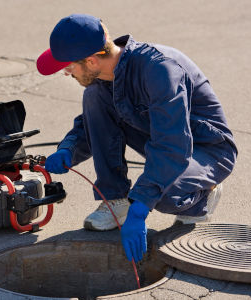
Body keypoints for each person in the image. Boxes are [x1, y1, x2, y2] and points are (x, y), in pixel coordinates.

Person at [36, 14, 237, 263]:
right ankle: (115, 200)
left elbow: (172, 146)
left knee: (160, 194)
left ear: (91, 60)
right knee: (94, 97)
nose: (66, 73)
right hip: (161, 136)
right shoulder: (107, 74)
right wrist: (69, 149)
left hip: (208, 149)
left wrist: (140, 206)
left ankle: (203, 195)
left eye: (68, 66)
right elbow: (94, 123)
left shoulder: (160, 70)